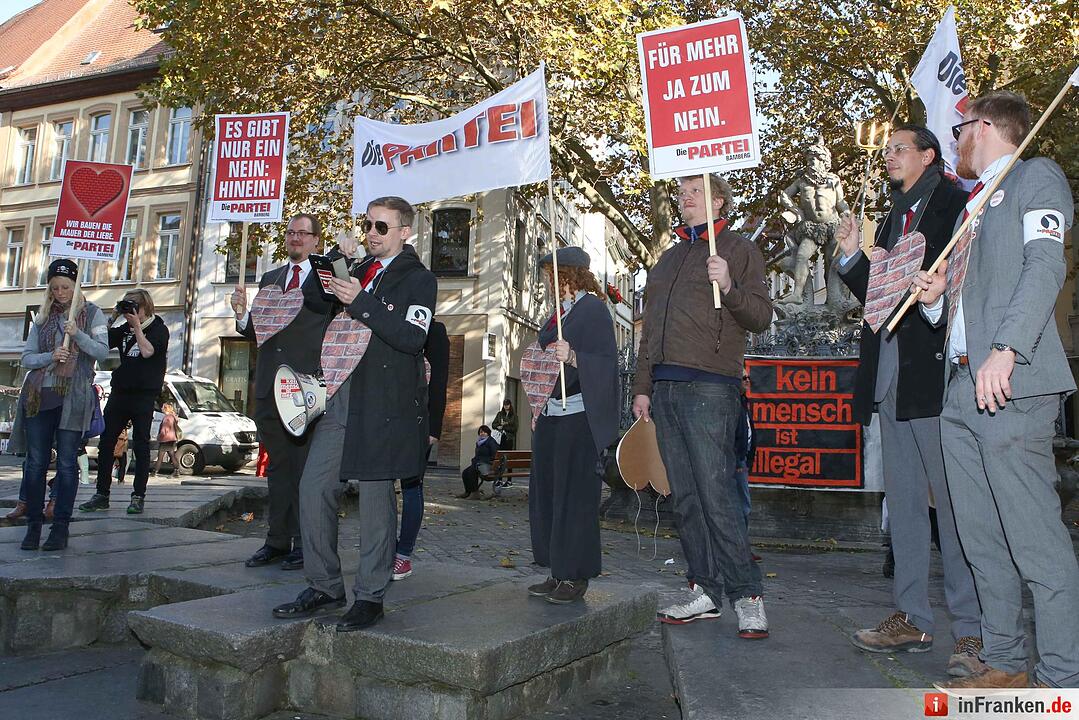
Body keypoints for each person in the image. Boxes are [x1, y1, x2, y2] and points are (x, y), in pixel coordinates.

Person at [913, 91, 1079, 689]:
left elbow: (1044, 267)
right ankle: (1005, 662)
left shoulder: (1037, 177)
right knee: (981, 539)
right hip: (961, 388)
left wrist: (1006, 350)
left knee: (1034, 541)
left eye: (957, 130)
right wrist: (935, 304)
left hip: (1011, 384)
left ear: (983, 127)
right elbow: (968, 304)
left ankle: (1062, 678)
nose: (952, 141)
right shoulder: (968, 208)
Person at [835, 124, 984, 677]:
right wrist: (852, 257)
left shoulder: (958, 202)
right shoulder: (896, 213)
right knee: (904, 505)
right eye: (886, 151)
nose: (889, 156)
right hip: (890, 380)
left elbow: (958, 282)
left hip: (936, 377)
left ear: (928, 154)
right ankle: (912, 616)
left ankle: (972, 633)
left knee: (954, 508)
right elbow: (883, 300)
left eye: (899, 149)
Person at [272, 196, 436, 632]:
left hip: (384, 404)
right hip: (341, 396)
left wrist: (361, 301)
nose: (372, 233)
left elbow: (410, 337)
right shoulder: (359, 266)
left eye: (382, 227)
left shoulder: (419, 279)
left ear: (405, 232)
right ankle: (325, 584)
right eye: (368, 225)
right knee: (313, 488)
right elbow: (312, 297)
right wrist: (335, 259)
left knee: (377, 502)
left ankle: (370, 595)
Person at [631, 173, 773, 638]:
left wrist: (729, 287)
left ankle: (747, 595)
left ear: (718, 200)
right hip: (666, 392)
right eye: (681, 194)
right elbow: (649, 331)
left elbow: (760, 315)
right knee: (686, 499)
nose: (683, 200)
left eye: (693, 193)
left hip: (712, 388)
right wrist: (643, 386)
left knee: (716, 495)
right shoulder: (667, 260)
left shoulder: (739, 249)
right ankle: (705, 589)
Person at [230, 214, 337, 571]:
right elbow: (259, 332)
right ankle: (276, 540)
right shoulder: (270, 279)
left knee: (308, 471)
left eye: (303, 234)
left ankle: (308, 544)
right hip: (269, 388)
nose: (295, 239)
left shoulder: (327, 279)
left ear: (316, 241)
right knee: (277, 469)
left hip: (305, 391)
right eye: (291, 233)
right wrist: (242, 315)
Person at [526, 247, 618, 604]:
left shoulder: (592, 310)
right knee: (549, 494)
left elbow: (607, 364)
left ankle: (576, 575)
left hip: (578, 420)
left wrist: (576, 357)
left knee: (575, 498)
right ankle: (557, 570)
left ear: (569, 273)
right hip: (551, 417)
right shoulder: (558, 315)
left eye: (552, 274)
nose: (548, 280)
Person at [12, 259, 109, 550]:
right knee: (35, 462)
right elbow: (27, 357)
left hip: (74, 397)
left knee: (67, 463)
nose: (61, 292)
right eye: (55, 288)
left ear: (76, 285)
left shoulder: (93, 314)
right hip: (40, 396)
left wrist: (77, 334)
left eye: (66, 286)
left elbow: (102, 352)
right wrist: (49, 357)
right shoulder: (42, 317)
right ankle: (32, 525)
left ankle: (60, 527)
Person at [79, 289, 169, 515]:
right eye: (127, 305)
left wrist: (137, 326)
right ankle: (102, 494)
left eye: (134, 306)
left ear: (145, 307)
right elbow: (101, 344)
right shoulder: (123, 329)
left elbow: (148, 352)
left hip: (144, 394)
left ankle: (138, 496)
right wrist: (113, 316)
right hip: (120, 391)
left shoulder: (159, 328)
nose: (130, 310)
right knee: (106, 443)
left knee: (140, 445)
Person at [394, 320, 450, 581]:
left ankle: (403, 555)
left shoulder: (435, 331)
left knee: (412, 486)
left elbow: (439, 383)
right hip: (387, 419)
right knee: (380, 484)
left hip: (418, 422)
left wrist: (433, 428)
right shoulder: (388, 322)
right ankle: (383, 548)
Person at [457, 425, 499, 499]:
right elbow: (478, 456)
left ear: (488, 433)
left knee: (472, 471)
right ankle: (468, 492)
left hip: (488, 466)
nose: (482, 433)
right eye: (480, 432)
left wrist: (483, 461)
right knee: (465, 472)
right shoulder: (479, 442)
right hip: (479, 464)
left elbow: (495, 456)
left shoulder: (491, 442)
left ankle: (475, 493)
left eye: (484, 432)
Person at [153, 402, 179, 477]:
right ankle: (176, 471)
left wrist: (159, 437)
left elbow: (164, 430)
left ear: (166, 409)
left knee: (160, 456)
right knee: (172, 455)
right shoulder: (173, 417)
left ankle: (155, 471)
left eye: (163, 407)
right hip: (172, 438)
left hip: (165, 439)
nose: (161, 409)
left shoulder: (167, 418)